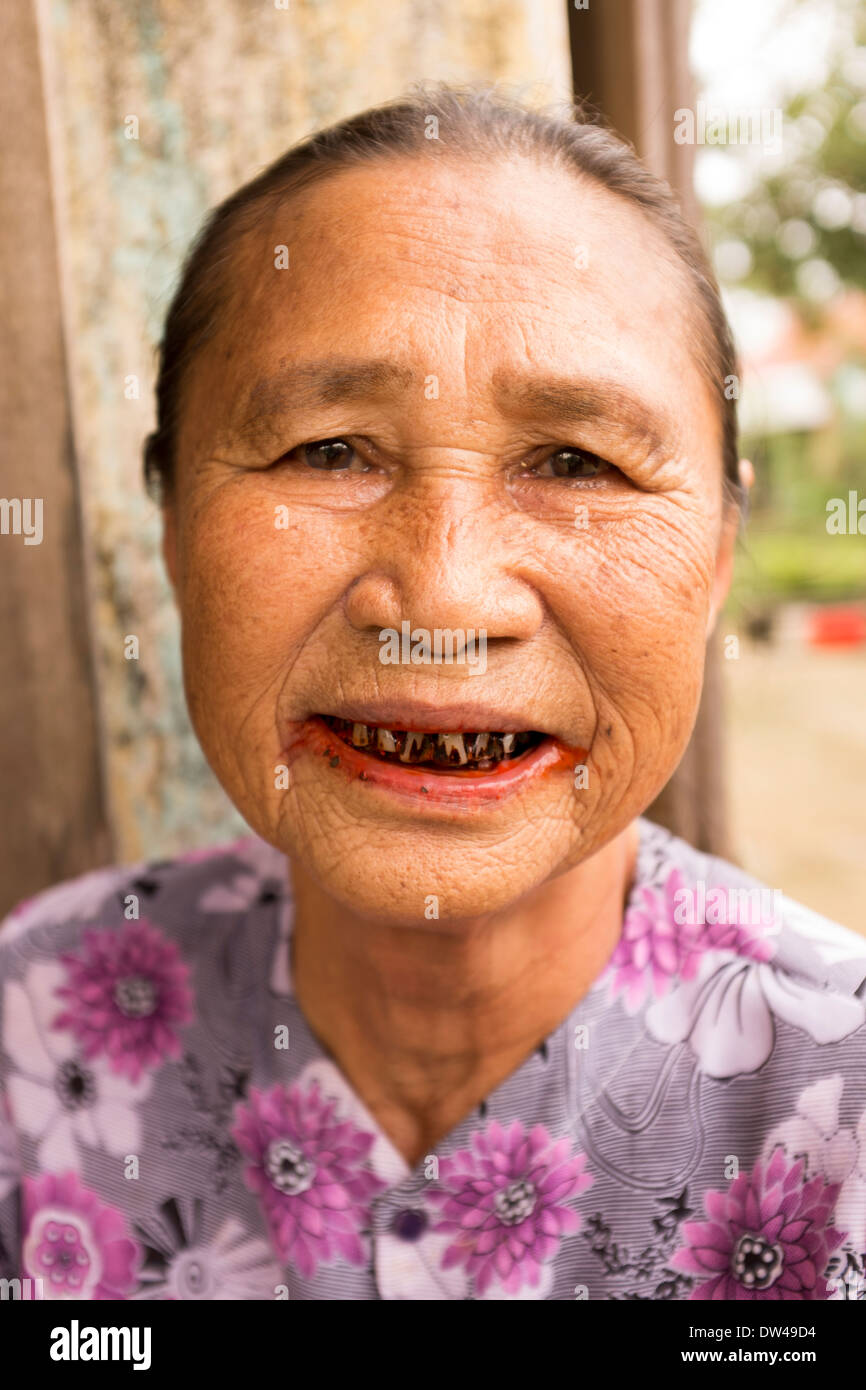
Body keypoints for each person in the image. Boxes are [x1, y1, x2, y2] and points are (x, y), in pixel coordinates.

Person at [1, 82, 864, 1302]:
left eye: (577, 462)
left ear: (717, 557)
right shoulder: (28, 1033)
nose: (444, 596)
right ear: (175, 531)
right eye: (328, 450)